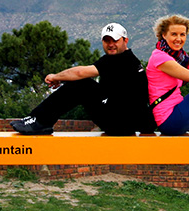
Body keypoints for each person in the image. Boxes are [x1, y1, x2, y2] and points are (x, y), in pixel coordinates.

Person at [10, 22, 156, 136]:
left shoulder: (121, 60)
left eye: (115, 40)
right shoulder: (126, 59)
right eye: (107, 41)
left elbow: (80, 72)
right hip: (125, 120)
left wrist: (55, 77)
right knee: (83, 85)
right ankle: (39, 120)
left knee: (80, 85)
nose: (111, 44)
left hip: (121, 124)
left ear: (125, 41)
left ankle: (39, 121)